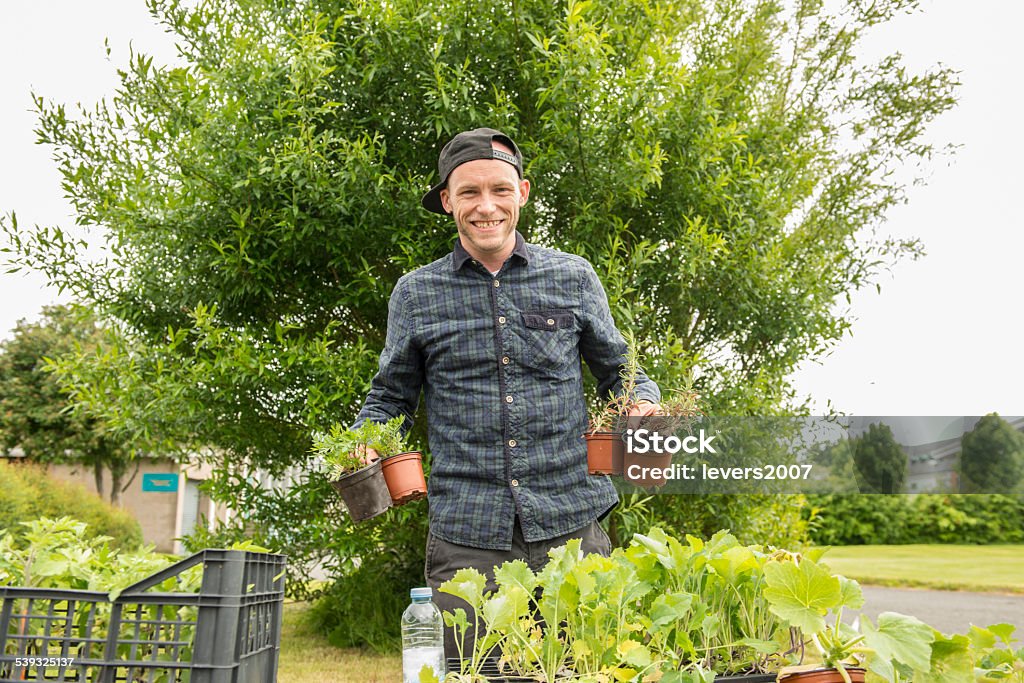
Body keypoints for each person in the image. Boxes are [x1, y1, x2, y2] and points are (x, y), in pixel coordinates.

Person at [353, 127, 661, 658]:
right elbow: (390, 398)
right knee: (479, 672)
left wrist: (645, 402)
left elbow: (623, 372)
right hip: (467, 534)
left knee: (586, 668)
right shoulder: (416, 293)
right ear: (448, 201)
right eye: (469, 192)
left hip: (571, 524)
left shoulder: (573, 277)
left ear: (522, 192)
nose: (485, 206)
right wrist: (367, 437)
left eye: (499, 189)